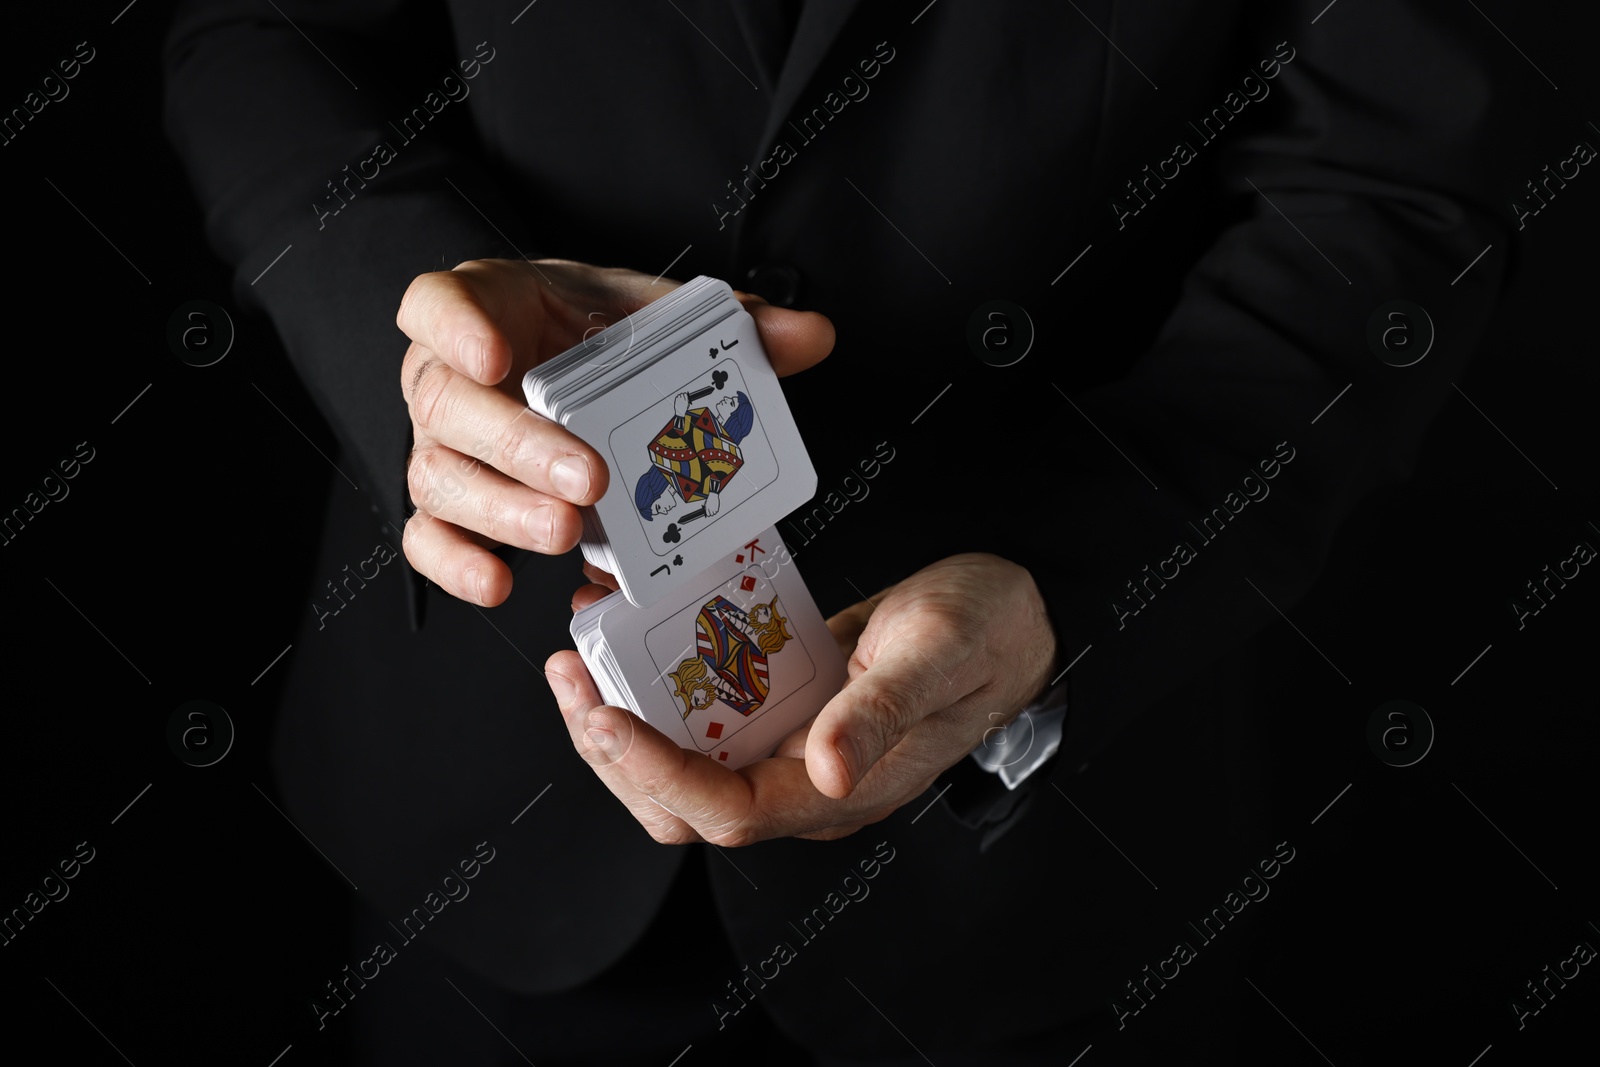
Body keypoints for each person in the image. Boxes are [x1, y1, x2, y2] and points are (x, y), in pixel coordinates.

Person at [163, 1, 1525, 1063]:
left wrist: (1080, 570)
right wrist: (412, 336)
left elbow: (1395, 182)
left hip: (1052, 862)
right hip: (478, 791)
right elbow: (261, 37)